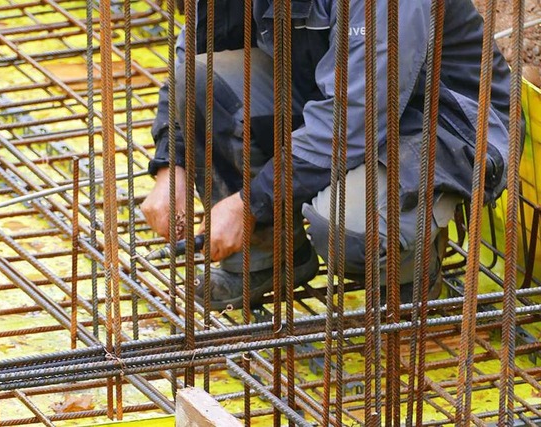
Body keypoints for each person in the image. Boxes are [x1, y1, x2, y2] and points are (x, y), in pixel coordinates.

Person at [141, 0, 515, 311]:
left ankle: (410, 282)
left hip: (440, 123)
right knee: (203, 83)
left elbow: (354, 118)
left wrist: (249, 204)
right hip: (331, 96)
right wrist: (171, 164)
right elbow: (190, 59)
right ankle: (268, 256)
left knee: (345, 226)